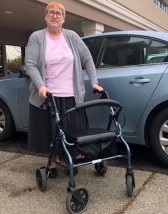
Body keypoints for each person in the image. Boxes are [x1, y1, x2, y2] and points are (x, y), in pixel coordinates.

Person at [25, 1, 103, 178]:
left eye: (58, 13)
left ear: (64, 18)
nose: (54, 15)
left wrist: (94, 82)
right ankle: (53, 164)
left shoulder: (72, 36)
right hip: (49, 96)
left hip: (71, 95)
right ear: (45, 16)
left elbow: (88, 60)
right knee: (52, 134)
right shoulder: (37, 37)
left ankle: (70, 160)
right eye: (51, 12)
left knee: (71, 132)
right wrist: (41, 85)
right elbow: (30, 65)